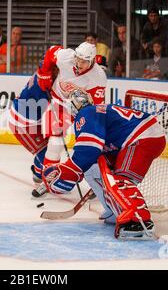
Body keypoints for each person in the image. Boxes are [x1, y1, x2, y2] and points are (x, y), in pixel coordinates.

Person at [42, 89, 166, 239]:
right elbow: (92, 153)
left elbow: (89, 148)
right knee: (94, 167)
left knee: (120, 179)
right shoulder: (95, 111)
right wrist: (77, 169)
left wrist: (70, 170)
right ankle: (116, 209)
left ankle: (139, 221)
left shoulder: (87, 114)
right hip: (141, 135)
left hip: (143, 137)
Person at [9, 42, 107, 195]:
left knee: (90, 143)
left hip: (79, 111)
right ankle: (48, 180)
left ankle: (97, 181)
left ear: (93, 61)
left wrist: (83, 114)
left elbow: (97, 106)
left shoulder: (98, 77)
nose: (79, 64)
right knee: (55, 142)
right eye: (78, 59)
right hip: (58, 104)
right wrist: (44, 74)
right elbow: (50, 53)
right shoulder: (65, 57)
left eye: (84, 61)